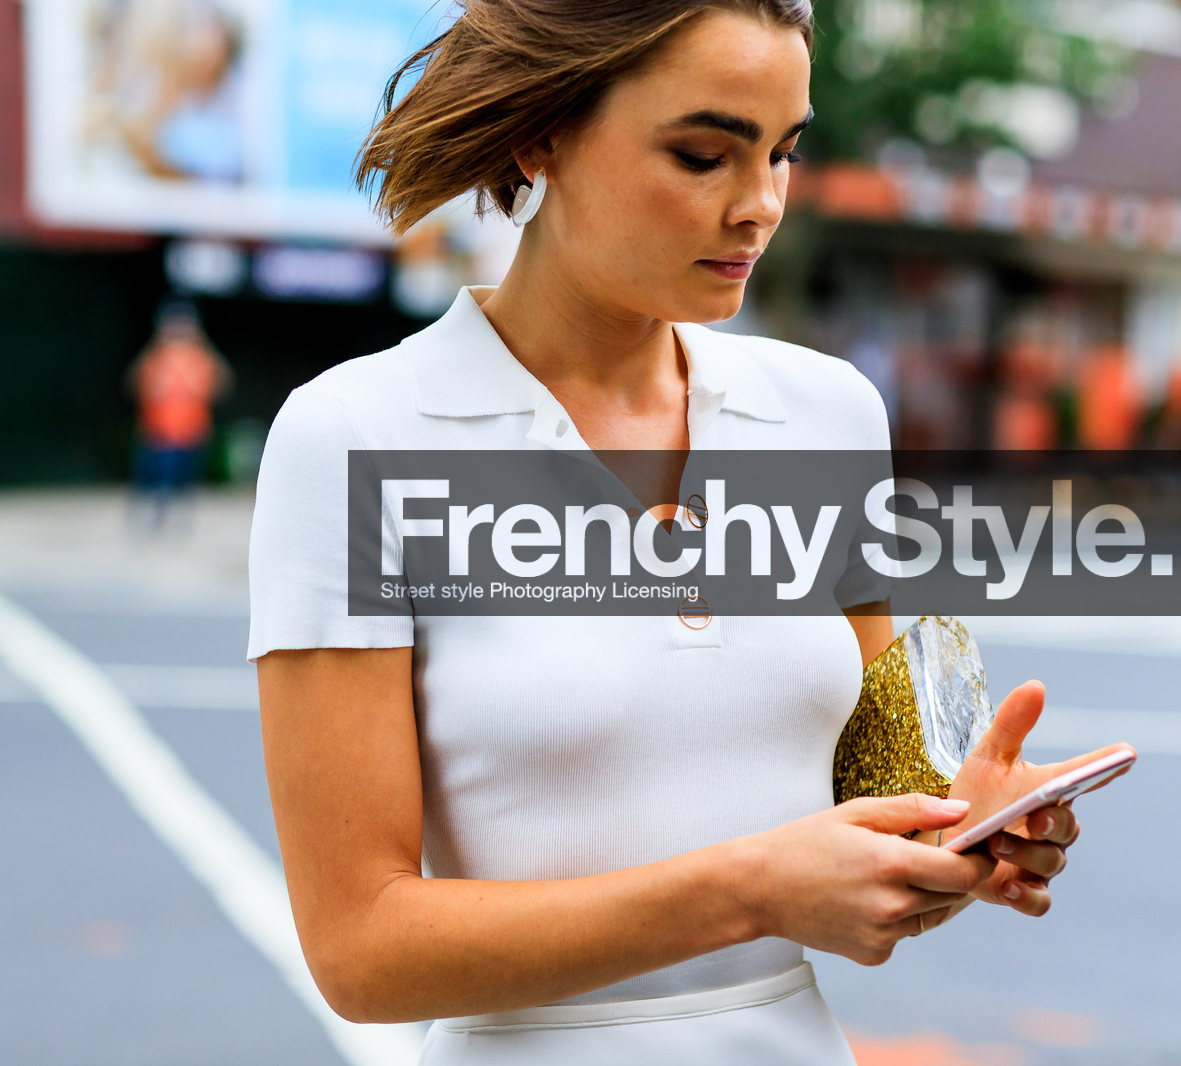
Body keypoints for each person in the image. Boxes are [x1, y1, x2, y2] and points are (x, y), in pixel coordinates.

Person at [246, 3, 1131, 1063]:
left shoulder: (830, 415)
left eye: (783, 152)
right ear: (541, 137)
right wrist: (751, 889)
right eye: (704, 155)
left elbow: (871, 792)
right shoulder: (355, 435)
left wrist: (961, 821)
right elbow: (360, 949)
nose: (761, 205)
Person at [126, 300, 233, 530]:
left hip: (191, 431)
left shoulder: (200, 357)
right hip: (158, 431)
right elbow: (134, 383)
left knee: (185, 480)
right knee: (154, 477)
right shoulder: (157, 357)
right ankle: (154, 515)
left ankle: (175, 518)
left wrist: (203, 343)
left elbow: (222, 383)